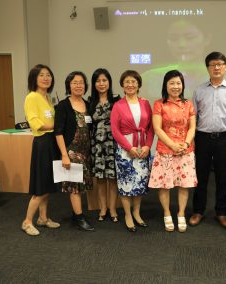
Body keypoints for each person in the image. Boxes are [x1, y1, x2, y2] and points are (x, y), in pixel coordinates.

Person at [189, 51, 226, 229]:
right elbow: (193, 117)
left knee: (223, 177)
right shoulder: (199, 90)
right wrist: (192, 139)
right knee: (200, 176)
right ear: (207, 68)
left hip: (223, 139)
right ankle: (198, 210)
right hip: (202, 138)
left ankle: (222, 212)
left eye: (220, 64)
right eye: (213, 64)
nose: (216, 67)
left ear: (225, 67)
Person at [148, 70, 197, 233]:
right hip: (165, 151)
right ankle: (167, 213)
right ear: (165, 85)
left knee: (184, 185)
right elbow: (157, 128)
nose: (176, 86)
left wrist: (186, 143)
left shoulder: (188, 104)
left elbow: (192, 127)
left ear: (182, 85)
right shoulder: (159, 104)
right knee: (165, 185)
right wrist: (172, 145)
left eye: (178, 83)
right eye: (172, 83)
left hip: (185, 150)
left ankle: (181, 213)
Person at [110, 70, 154, 232]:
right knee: (126, 183)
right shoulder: (118, 105)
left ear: (138, 85)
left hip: (143, 149)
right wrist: (129, 148)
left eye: (133, 81)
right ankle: (128, 214)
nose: (130, 84)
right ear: (122, 85)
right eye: (127, 81)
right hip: (125, 151)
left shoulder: (145, 103)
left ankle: (137, 212)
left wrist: (148, 146)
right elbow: (115, 131)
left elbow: (150, 128)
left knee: (140, 183)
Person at [22, 64, 60, 236]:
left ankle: (43, 218)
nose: (46, 78)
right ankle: (27, 221)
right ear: (34, 79)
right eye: (42, 75)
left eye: (48, 75)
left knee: (47, 183)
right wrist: (58, 125)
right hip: (42, 143)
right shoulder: (32, 97)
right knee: (40, 185)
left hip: (51, 142)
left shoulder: (47, 97)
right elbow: (35, 123)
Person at [54, 71, 94, 231]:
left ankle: (76, 213)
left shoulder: (87, 104)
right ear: (68, 86)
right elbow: (58, 131)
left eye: (81, 82)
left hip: (85, 151)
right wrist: (64, 154)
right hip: (71, 150)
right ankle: (79, 218)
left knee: (80, 184)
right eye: (75, 82)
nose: (78, 85)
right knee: (74, 185)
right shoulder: (63, 105)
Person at [88, 68, 121, 222]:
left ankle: (113, 209)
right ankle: (102, 208)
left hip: (113, 144)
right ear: (94, 84)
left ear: (109, 82)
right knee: (100, 179)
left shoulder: (117, 99)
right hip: (98, 146)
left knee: (113, 179)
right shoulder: (90, 102)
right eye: (98, 81)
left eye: (104, 80)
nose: (101, 84)